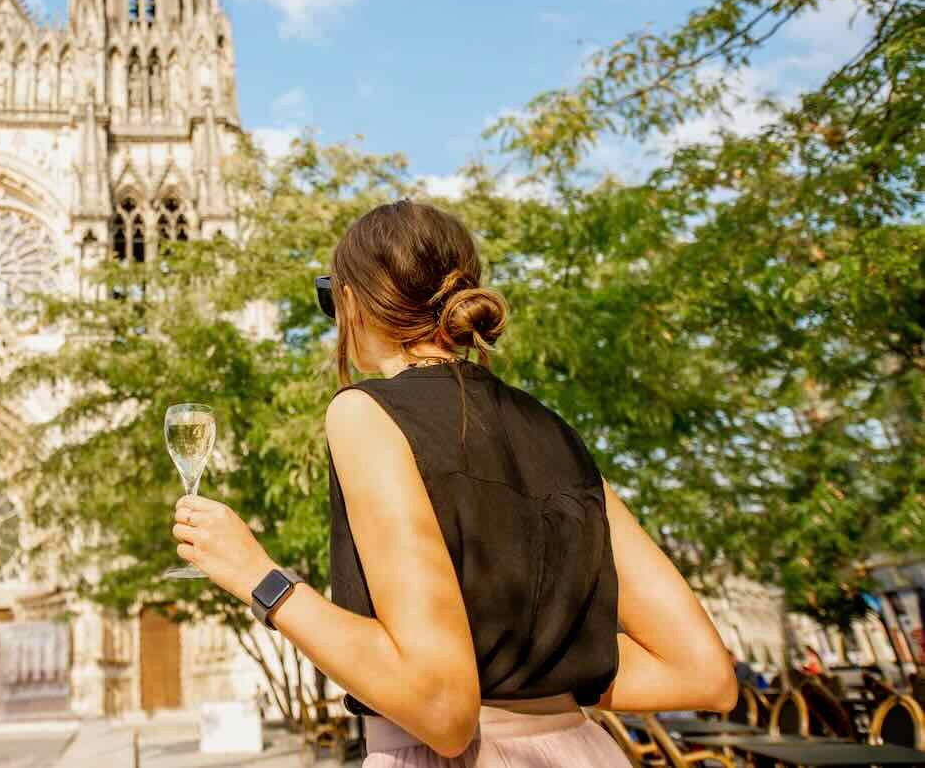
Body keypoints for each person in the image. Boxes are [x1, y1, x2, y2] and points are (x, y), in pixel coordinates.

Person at [172, 200, 738, 766]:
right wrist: (544, 678)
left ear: (351, 301)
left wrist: (259, 579)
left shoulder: (365, 412)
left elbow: (443, 714)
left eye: (331, 299)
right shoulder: (556, 431)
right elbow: (705, 674)